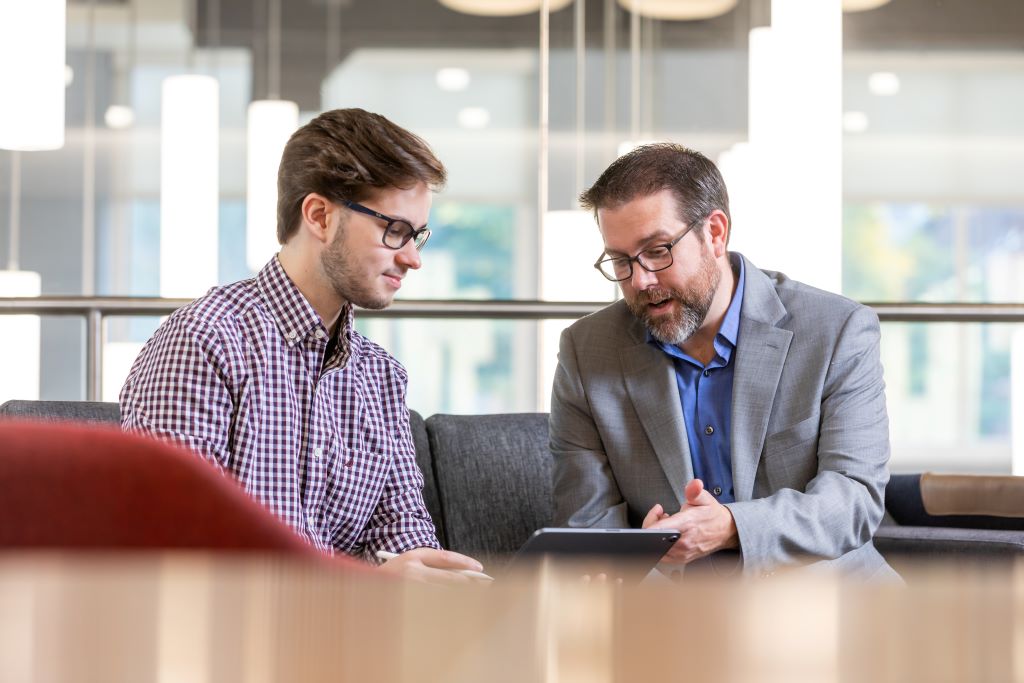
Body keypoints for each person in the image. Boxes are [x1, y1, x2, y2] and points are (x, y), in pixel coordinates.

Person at [121, 108, 483, 582]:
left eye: (417, 236)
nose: (412, 258)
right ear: (319, 215)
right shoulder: (204, 341)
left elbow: (402, 536)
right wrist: (369, 586)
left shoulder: (380, 376)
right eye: (394, 230)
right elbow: (182, 542)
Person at [550, 143, 897, 579]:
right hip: (676, 614)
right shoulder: (587, 350)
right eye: (620, 260)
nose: (640, 280)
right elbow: (587, 523)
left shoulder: (836, 330)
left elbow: (853, 500)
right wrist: (642, 552)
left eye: (658, 251)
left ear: (715, 232)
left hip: (828, 604)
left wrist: (733, 527)